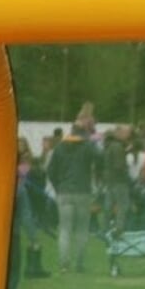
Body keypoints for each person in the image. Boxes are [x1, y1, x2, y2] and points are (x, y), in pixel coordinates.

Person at [45, 117, 99, 273]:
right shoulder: (88, 146)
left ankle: (64, 264)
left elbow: (51, 170)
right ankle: (80, 263)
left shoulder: (60, 147)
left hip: (64, 192)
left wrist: (58, 186)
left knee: (64, 229)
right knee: (82, 229)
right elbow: (99, 158)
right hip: (83, 191)